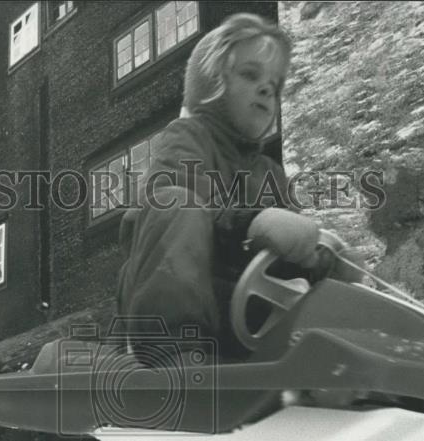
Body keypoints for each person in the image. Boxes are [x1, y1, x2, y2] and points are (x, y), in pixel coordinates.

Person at [116, 13, 363, 358]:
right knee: (175, 203)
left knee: (330, 268)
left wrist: (322, 258)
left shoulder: (271, 173)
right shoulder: (188, 137)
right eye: (250, 75)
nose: (266, 89)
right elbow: (176, 194)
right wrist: (252, 224)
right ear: (212, 82)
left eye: (275, 87)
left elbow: (284, 251)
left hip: (244, 316)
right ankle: (171, 355)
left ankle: (361, 353)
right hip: (174, 298)